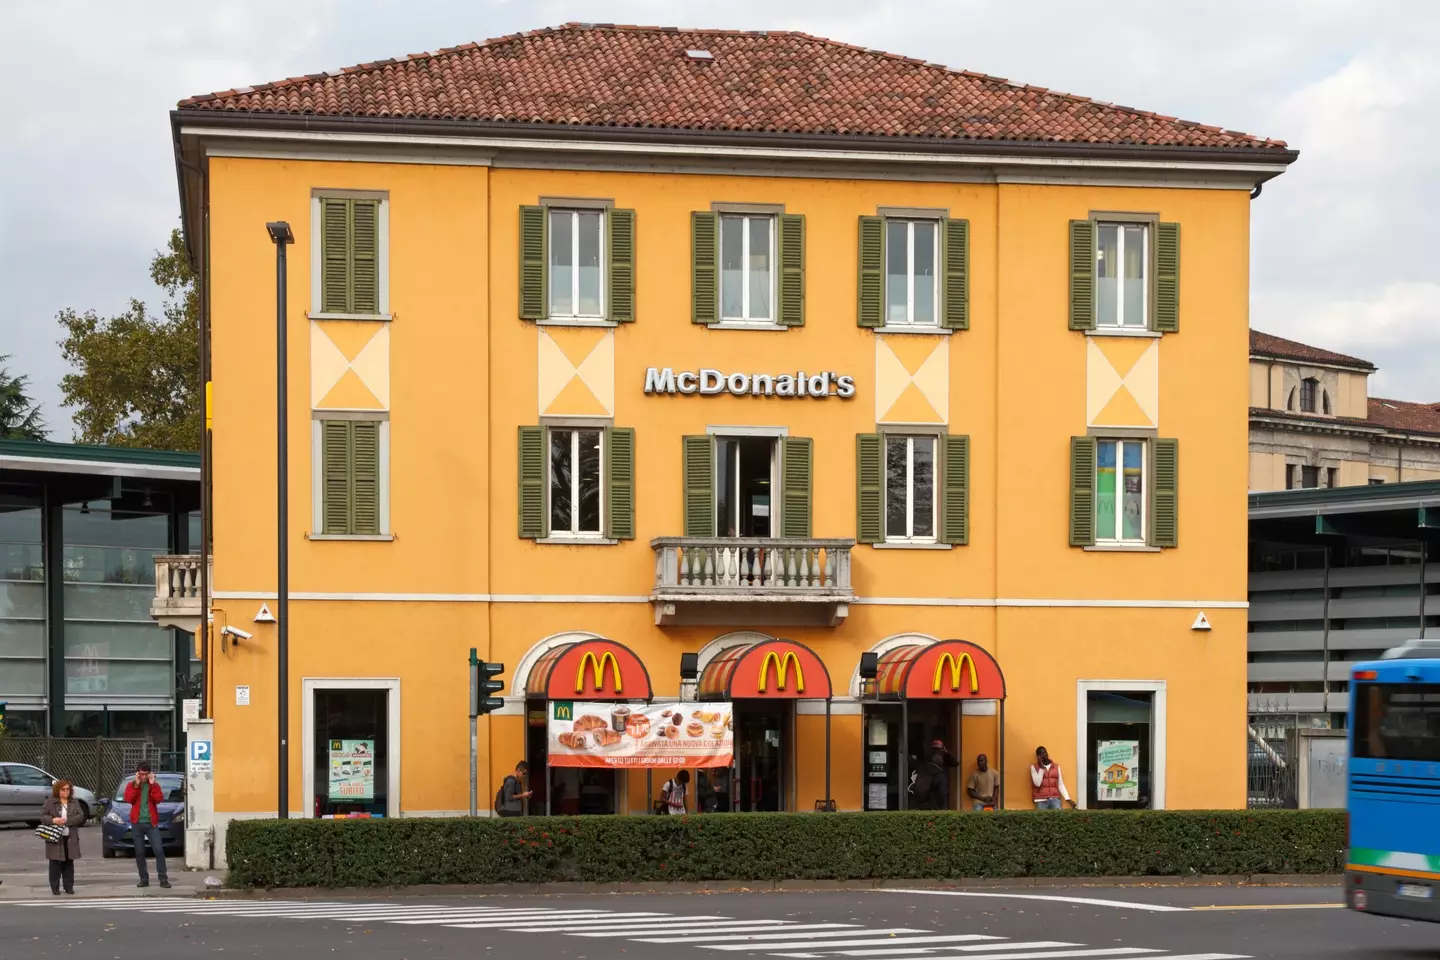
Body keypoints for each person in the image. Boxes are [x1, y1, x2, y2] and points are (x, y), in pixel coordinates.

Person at [123, 761, 170, 888]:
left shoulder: (153, 785)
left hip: (151, 823)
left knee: (158, 850)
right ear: (138, 774)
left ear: (150, 774)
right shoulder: (131, 785)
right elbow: (128, 799)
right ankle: (144, 878)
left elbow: (159, 799)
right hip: (137, 823)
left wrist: (153, 784)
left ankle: (163, 879)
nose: (144, 777)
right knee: (139, 852)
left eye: (146, 774)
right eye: (141, 774)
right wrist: (136, 785)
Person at [40, 779, 85, 895]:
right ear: (57, 790)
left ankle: (68, 887)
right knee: (54, 863)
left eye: (67, 789)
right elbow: (42, 816)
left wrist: (67, 821)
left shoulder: (74, 802)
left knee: (69, 862)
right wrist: (53, 820)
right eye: (63, 789)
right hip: (55, 837)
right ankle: (55, 888)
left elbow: (80, 816)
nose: (66, 791)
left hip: (70, 837)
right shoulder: (50, 802)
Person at [1030, 746, 1073, 810]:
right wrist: (1041, 767)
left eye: (1045, 752)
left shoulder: (1056, 767)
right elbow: (1037, 783)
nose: (1044, 755)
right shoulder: (1034, 767)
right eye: (1041, 754)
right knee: (1042, 819)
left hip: (1054, 799)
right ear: (1038, 757)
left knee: (1058, 818)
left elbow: (1060, 784)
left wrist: (1067, 798)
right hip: (1040, 800)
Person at [909, 742, 949, 810]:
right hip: (933, 809)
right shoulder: (940, 776)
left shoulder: (922, 771)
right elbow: (942, 796)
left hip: (920, 808)